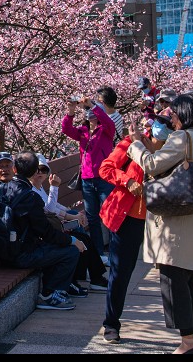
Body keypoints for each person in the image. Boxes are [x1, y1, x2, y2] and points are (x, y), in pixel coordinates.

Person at [127, 93, 193, 355]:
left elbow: (153, 164)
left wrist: (136, 144)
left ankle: (188, 342)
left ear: (184, 114)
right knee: (191, 282)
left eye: (175, 114)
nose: (173, 120)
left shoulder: (184, 137)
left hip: (177, 225)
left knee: (173, 282)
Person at [97, 102, 171, 343]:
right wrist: (126, 180)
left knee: (172, 271)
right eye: (157, 124)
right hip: (128, 217)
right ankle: (111, 324)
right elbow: (105, 168)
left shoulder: (174, 150)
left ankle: (185, 327)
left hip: (161, 219)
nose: (158, 129)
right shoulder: (130, 144)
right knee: (121, 272)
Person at [0, 151, 83, 311]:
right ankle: (49, 295)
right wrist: (72, 241)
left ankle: (58, 289)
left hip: (1, 251)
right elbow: (46, 232)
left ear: (15, 169)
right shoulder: (29, 197)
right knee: (70, 252)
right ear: (34, 172)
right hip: (20, 255)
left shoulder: (0, 191)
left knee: (52, 247)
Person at [30, 158, 108, 297]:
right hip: (45, 234)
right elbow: (49, 209)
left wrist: (71, 213)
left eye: (43, 170)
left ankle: (93, 277)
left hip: (52, 227)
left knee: (83, 238)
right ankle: (80, 279)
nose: (39, 173)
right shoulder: (31, 189)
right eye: (36, 170)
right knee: (79, 240)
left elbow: (53, 207)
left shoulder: (39, 187)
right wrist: (55, 188)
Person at [62, 88, 119, 262]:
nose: (91, 115)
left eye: (93, 112)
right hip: (87, 179)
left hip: (104, 178)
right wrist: (71, 110)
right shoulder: (82, 132)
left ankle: (115, 252)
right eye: (87, 112)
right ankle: (99, 253)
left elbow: (107, 121)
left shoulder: (106, 130)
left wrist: (92, 105)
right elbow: (66, 129)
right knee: (92, 217)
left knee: (110, 214)